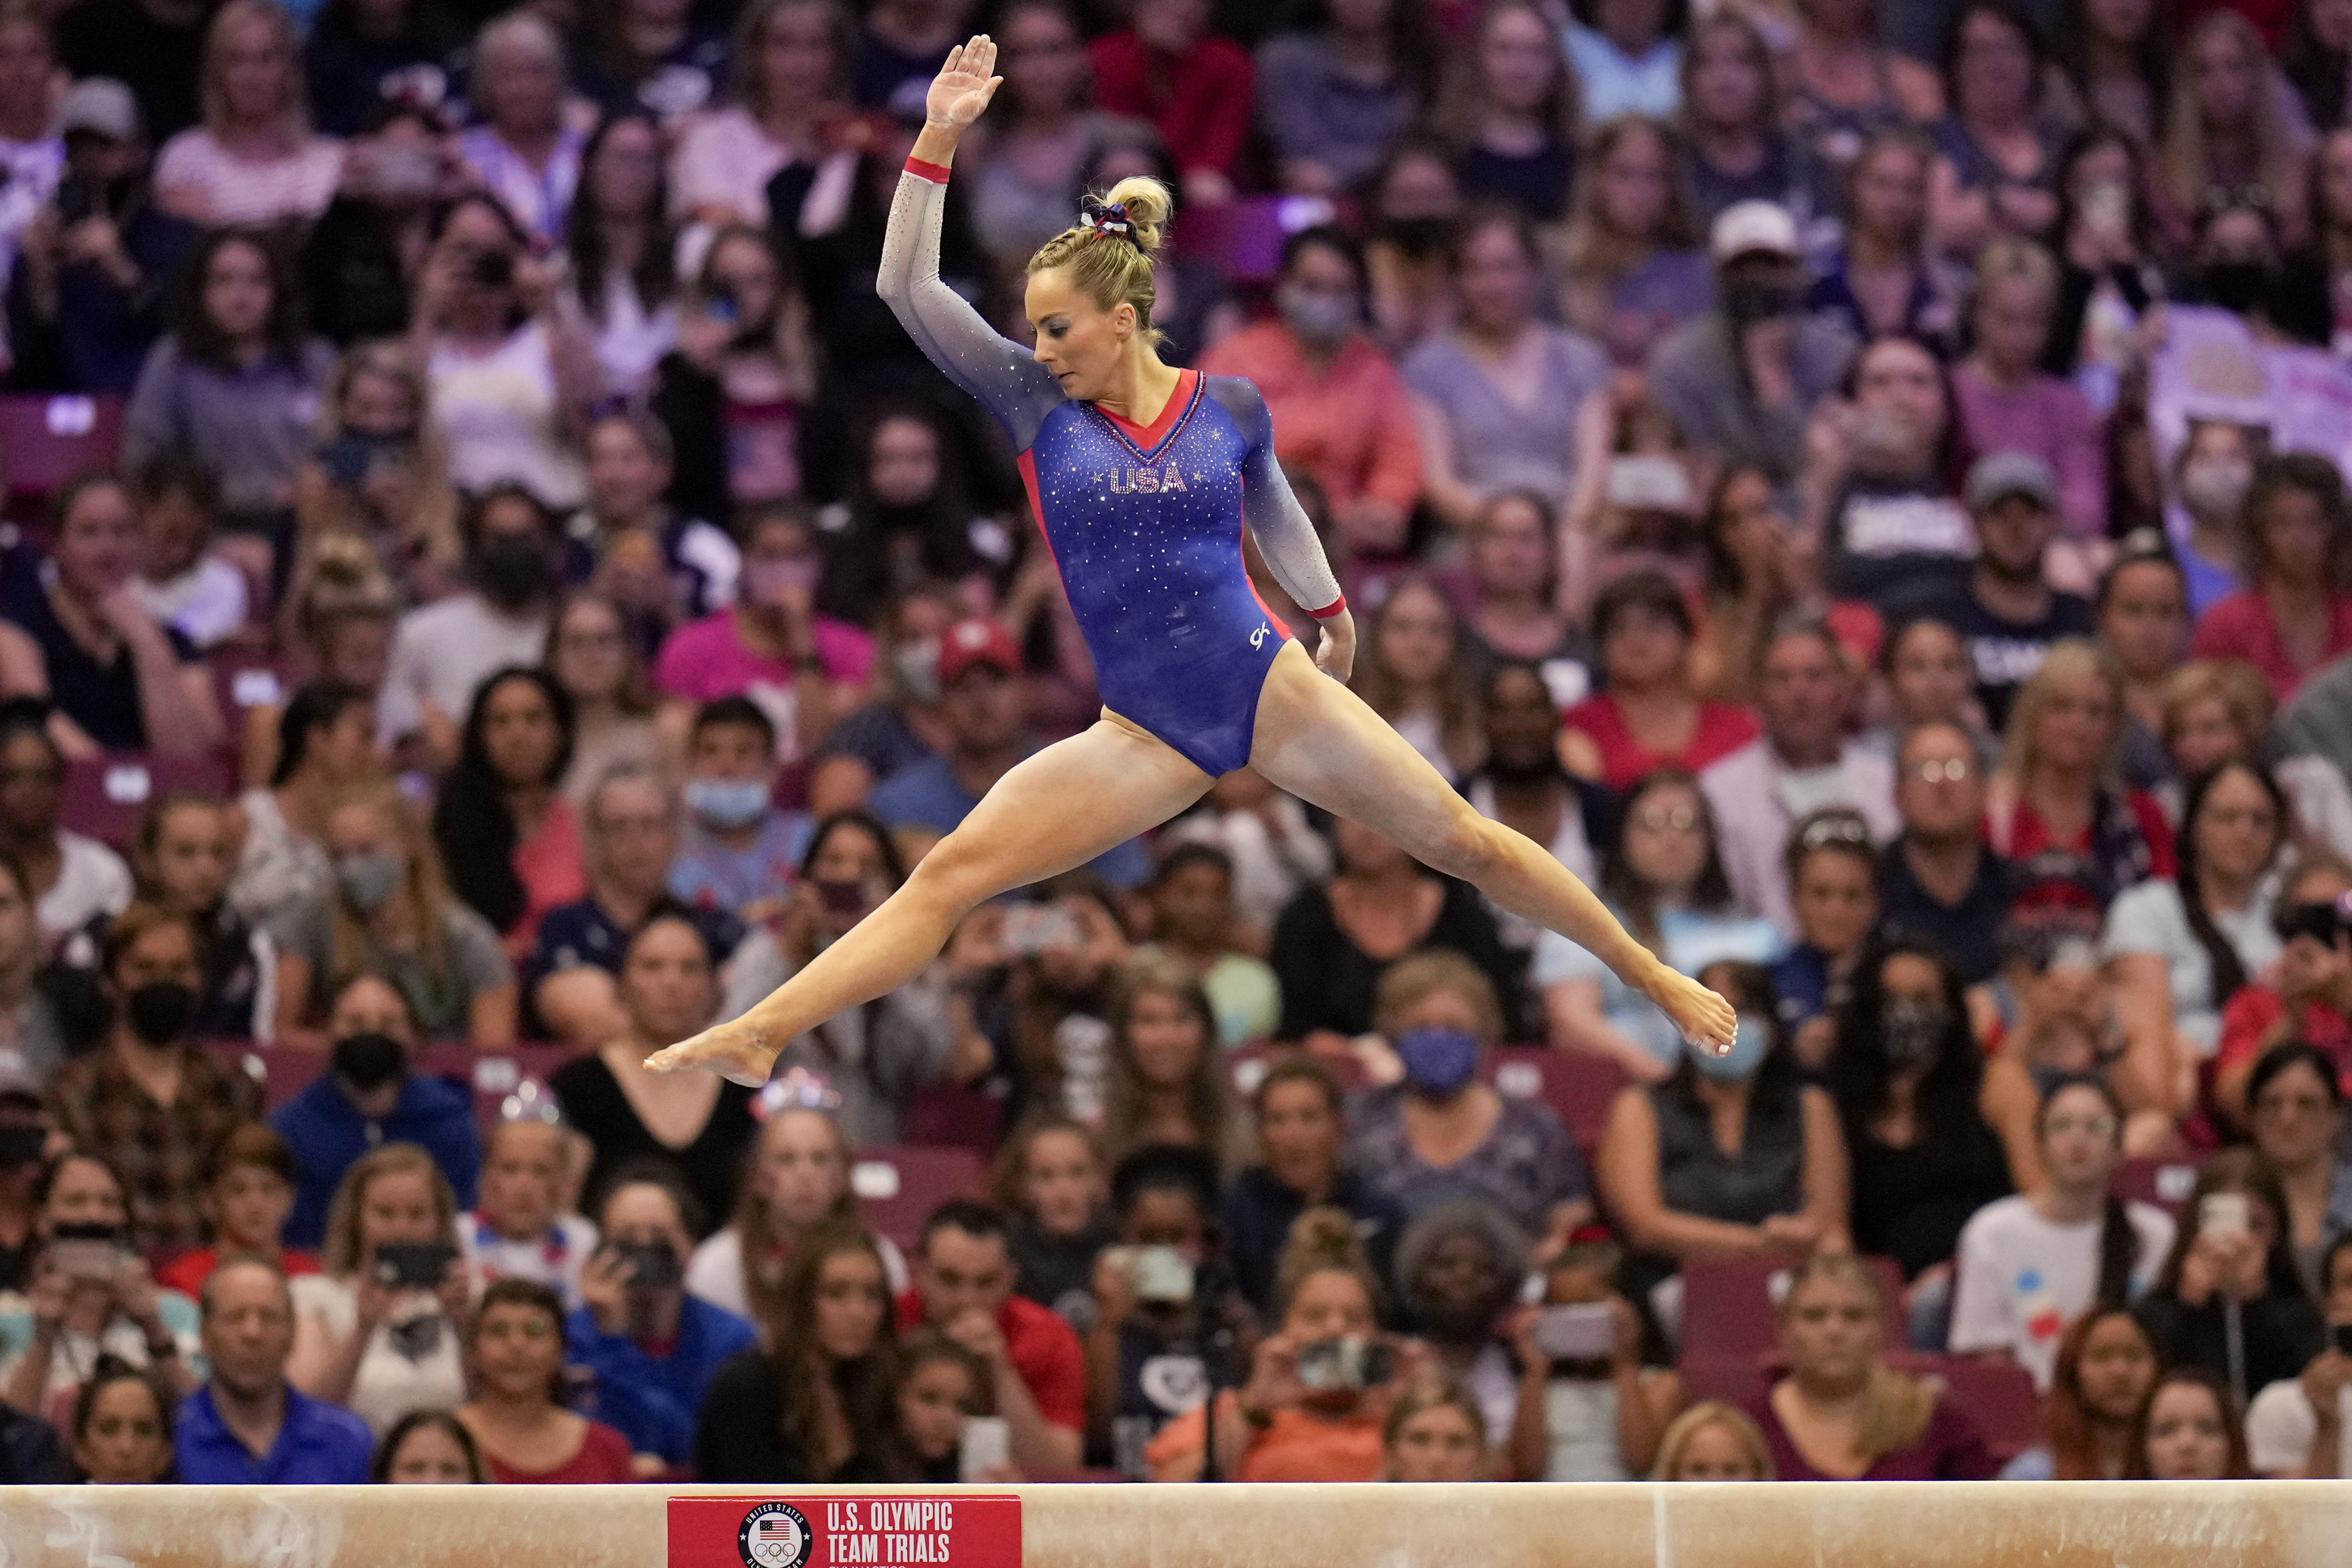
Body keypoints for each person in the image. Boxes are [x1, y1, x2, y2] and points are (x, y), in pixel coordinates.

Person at [652, 36, 1735, 1097]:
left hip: (1270, 683)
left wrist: (1331, 612)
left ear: (1121, 322)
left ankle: (1647, 972)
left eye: (1058, 328)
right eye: (1032, 328)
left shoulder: (1229, 406)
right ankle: (763, 1028)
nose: (1039, 348)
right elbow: (906, 288)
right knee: (947, 877)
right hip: (1143, 731)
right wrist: (933, 140)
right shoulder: (1035, 406)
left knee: (1467, 840)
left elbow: (1275, 505)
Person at [1597, 961, 1850, 1323]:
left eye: (1742, 1009)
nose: (1726, 1020)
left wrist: (1806, 1245)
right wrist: (1759, 1245)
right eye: (1709, 1004)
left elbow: (1828, 1224)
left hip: (1789, 1286)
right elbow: (1646, 1227)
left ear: (1770, 1026)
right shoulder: (1639, 1108)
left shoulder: (1809, 1106)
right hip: (1672, 1287)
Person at [718, 812, 969, 1148]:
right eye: (833, 861)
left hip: (879, 1148)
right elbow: (733, 1047)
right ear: (807, 877)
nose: (849, 876)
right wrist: (792, 949)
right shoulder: (769, 950)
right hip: (785, 1147)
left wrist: (886, 953)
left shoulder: (912, 960)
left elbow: (932, 1060)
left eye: (867, 868)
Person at [1541, 770, 1782, 1081]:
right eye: (1652, 824)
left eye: (1686, 824)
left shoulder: (1754, 933)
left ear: (1710, 837)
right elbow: (1569, 1022)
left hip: (1741, 1098)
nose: (1672, 839)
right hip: (1623, 1100)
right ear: (1622, 834)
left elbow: (1774, 1027)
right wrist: (1663, 1085)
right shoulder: (1582, 921)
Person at [1194, 228, 1423, 555]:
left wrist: (1384, 505)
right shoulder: (1234, 359)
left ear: (1359, 295)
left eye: (1340, 289)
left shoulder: (1373, 369)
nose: (1325, 300)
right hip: (1245, 535)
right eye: (1311, 287)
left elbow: (1400, 458)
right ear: (1283, 286)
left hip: (1345, 539)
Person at [45, 905, 260, 1252]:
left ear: (201, 980)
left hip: (214, 1280)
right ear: (110, 980)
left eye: (179, 968)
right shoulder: (74, 1088)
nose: (163, 981)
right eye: (145, 968)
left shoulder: (234, 1086)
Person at [1146, 1206, 1417, 1481]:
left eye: (1354, 1318)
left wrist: (1416, 1408)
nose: (1336, 1329)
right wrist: (1252, 1410)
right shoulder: (1232, 1413)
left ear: (1378, 1336)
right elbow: (1168, 1500)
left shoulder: (1405, 1416)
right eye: (1315, 1316)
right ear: (1282, 1331)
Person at [1826, 940, 2016, 1328]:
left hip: (1988, 1278)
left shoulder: (1996, 1086)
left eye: (1921, 999)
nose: (1906, 1013)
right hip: (1883, 1294)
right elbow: (1835, 1227)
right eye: (1891, 999)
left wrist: (1958, 1271)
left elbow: (2035, 1200)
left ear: (1949, 1010)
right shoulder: (1837, 1105)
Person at [1348, 951, 1591, 1246]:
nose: (1438, 1038)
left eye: (1454, 1027)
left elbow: (1571, 1217)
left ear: (1484, 1032)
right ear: (1393, 1034)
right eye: (1420, 1027)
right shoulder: (1359, 1119)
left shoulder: (1535, 1126)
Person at [1949, 1075, 2175, 1390]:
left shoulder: (2155, 1234)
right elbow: (1988, 1357)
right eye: (2061, 1126)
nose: (2078, 1140)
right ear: (2039, 1145)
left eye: (2096, 1128)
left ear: (2119, 1149)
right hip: (2032, 1406)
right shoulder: (1991, 1231)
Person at [1403, 207, 1614, 532]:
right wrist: (1511, 532)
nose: (1493, 285)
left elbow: (1592, 482)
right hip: (1472, 535)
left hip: (1570, 532)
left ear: (1534, 272)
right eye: (1476, 270)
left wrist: (1553, 537)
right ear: (1457, 279)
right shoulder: (1428, 367)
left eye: (1506, 267)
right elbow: (1439, 486)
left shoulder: (1581, 359)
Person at [266, 780, 517, 1045]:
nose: (352, 869)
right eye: (338, 856)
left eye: (367, 850)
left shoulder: (466, 939)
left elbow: (492, 1055)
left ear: (407, 844)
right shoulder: (313, 921)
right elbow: (280, 1037)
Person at [553, 915, 757, 1235]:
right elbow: (560, 1214)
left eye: (689, 968)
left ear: (714, 986)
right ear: (621, 983)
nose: (671, 983)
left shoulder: (747, 1087)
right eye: (652, 967)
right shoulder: (579, 1086)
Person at [2104, 762, 2286, 1115]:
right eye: (2227, 817)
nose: (2244, 832)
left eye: (2260, 820)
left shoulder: (2288, 922)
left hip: (2264, 1091)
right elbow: (2139, 1025)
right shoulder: (2146, 908)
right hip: (2170, 1086)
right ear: (2193, 826)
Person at [1699, 618, 1899, 937]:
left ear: (1843, 689)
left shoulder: (1888, 782)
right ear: (1757, 693)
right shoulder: (1718, 791)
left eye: (1815, 676)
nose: (1799, 693)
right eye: (1781, 678)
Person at [0, 477, 222, 758]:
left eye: (121, 532)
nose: (107, 549)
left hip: (158, 793)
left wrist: (146, 642)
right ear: (56, 546)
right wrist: (117, 783)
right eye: (89, 533)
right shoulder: (17, 628)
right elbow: (36, 720)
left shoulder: (172, 640)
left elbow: (190, 755)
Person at [411, 195, 597, 511]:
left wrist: (550, 305)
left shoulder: (546, 339)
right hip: (456, 517)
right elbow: (405, 414)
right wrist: (426, 308)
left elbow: (590, 417)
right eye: (463, 252)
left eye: (492, 254)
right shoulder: (425, 349)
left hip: (551, 512)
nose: (479, 268)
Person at [1269, 814, 1521, 1047]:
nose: (1367, 830)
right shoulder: (1304, 919)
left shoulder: (1464, 915)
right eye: (1351, 814)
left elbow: (1501, 1020)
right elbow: (1293, 1029)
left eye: (1384, 814)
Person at [1744, 1251, 2000, 1479]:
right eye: (1815, 1316)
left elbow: (1986, 1521)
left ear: (1881, 1326)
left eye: (1854, 1316)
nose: (1835, 1331)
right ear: (1784, 1328)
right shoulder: (1748, 1426)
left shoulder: (1937, 1421)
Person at [566, 1164, 757, 1468]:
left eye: (659, 1234)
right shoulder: (569, 1338)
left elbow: (704, 1447)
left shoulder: (734, 1342)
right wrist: (612, 1341)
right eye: (627, 1235)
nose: (644, 1247)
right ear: (600, 1247)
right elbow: (585, 1449)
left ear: (689, 1246)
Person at [654, 504, 870, 764]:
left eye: (797, 556)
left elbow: (822, 744)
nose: (783, 571)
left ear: (818, 565)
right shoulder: (691, 645)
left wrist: (802, 639)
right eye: (768, 556)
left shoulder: (853, 647)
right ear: (743, 561)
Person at [270, 991, 482, 1250]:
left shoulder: (449, 1118)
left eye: (388, 1024)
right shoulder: (289, 1129)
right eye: (355, 1023)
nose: (371, 1033)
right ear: (328, 1031)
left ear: (413, 1036)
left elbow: (464, 1217)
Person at [1912, 453, 2106, 734]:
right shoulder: (1940, 618)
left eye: (2029, 513)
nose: (2016, 528)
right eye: (2000, 513)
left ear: (2053, 522)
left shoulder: (2082, 619)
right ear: (1974, 523)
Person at [284, 1142, 470, 1435]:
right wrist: (363, 1330)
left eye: (417, 1214)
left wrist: (463, 1324)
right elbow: (306, 1415)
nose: (402, 1229)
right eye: (385, 1213)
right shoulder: (313, 1296)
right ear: (357, 1219)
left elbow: (499, 1407)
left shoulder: (469, 1295)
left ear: (440, 1221)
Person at [694, 1217, 897, 1482]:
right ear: (800, 1299)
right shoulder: (747, 1387)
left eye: (872, 1294)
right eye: (836, 1293)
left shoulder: (879, 1387)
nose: (858, 1313)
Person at [0, 1151, 197, 1421]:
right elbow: (10, 1439)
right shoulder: (8, 1320)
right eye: (76, 1201)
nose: (95, 1216)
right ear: (42, 1220)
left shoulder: (174, 1313)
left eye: (109, 1203)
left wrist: (153, 1327)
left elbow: (207, 1425)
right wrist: (43, 1339)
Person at [375, 484, 560, 771]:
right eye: (501, 540)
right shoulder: (424, 631)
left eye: (525, 538)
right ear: (476, 548)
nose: (514, 551)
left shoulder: (572, 632)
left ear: (550, 545)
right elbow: (395, 712)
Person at [1986, 640, 2174, 902]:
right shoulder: (1988, 814)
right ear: (2032, 715)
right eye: (2063, 707)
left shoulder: (2143, 817)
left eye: (2096, 712)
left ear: (2114, 727)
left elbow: (2165, 911)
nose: (2079, 725)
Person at [2136, 1151, 2328, 1406]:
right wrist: (2190, 1307)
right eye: (2224, 1223)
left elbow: (2301, 1386)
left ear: (2278, 1231)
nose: (2239, 1241)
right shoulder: (2156, 1310)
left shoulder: (2303, 1315)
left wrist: (2257, 1305)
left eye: (2255, 1225)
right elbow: (2151, 1387)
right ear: (2195, 1225)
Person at [527, 767, 700, 1048]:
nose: (636, 840)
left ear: (675, 836)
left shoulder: (713, 928)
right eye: (619, 826)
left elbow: (753, 1017)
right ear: (593, 840)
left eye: (649, 823)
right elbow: (591, 1023)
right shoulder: (563, 928)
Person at [1219, 1055, 1403, 1318]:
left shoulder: (1380, 1213)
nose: (1294, 1135)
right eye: (1278, 1120)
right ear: (1260, 1134)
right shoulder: (1235, 1213)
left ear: (1338, 1127)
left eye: (1309, 1117)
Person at [690, 1103, 909, 1323]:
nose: (805, 1174)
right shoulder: (720, 1265)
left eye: (820, 1159)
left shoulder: (881, 1261)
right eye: (786, 1159)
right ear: (758, 1178)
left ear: (843, 1176)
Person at [1807, 333, 1974, 612]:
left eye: (1919, 382)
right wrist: (1821, 481)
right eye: (1880, 383)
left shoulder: (1976, 485)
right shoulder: (1828, 488)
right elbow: (1805, 585)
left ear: (1947, 406)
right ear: (1850, 401)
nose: (1901, 399)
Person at [1951, 253, 2105, 552]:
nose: (2020, 336)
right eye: (2006, 318)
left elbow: (2087, 512)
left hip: (2049, 553)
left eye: (2034, 321)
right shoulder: (1948, 391)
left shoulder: (2069, 404)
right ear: (1977, 313)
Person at [174, 1257, 373, 1484]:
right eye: (235, 1317)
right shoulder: (170, 1434)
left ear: (292, 1334)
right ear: (205, 1334)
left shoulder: (348, 1439)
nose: (253, 1333)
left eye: (269, 1317)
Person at [432, 666, 585, 961]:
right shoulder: (450, 825)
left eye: (533, 719)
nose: (518, 736)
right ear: (478, 737)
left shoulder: (582, 823)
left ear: (560, 734)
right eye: (500, 722)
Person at [1558, 572, 1760, 791]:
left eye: (1653, 627)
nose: (1637, 642)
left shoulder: (1738, 727)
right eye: (1620, 629)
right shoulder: (1576, 728)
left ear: (1686, 637)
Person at [1507, 1231, 1682, 1479]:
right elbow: (1528, 1467)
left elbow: (1641, 1460)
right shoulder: (1537, 1389)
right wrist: (1534, 1370)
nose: (1578, 1324)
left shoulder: (1659, 1385)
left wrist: (1626, 1362)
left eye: (1589, 1308)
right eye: (1564, 1310)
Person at [153, 0, 342, 228]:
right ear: (217, 71)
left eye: (266, 59)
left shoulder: (329, 166)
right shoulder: (185, 159)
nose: (252, 77)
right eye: (237, 60)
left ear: (290, 68)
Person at [2192, 454, 2352, 704]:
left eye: (2311, 523)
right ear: (2260, 531)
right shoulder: (2224, 625)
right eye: (2282, 524)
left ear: (2333, 529)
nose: (2297, 540)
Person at [1557, 116, 1712, 369]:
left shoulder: (1699, 272)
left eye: (1652, 175)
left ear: (1671, 186)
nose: (1638, 192)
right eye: (1624, 174)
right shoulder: (1562, 266)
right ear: (1597, 181)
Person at [2160, 661, 2352, 863]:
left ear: (2248, 729)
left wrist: (2299, 834)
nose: (2192, 744)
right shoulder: (2168, 804)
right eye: (2181, 731)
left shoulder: (2311, 782)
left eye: (2210, 729)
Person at [572, 417, 737, 646]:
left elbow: (732, 651)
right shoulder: (568, 545)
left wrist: (666, 605)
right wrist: (595, 596)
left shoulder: (704, 547)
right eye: (601, 460)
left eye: (629, 459)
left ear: (663, 471)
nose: (614, 475)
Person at [456, 1278, 636, 1483]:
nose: (517, 1345)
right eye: (498, 1330)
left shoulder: (607, 1450)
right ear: (471, 1350)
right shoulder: (440, 1444)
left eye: (535, 1331)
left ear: (563, 1348)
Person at [2155, 13, 2312, 249]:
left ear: (2257, 75)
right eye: (2203, 70)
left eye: (2234, 67)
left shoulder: (2299, 167)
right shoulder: (2161, 170)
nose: (2221, 83)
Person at [1678, 13, 1838, 237]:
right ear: (1687, 78)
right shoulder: (1668, 165)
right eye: (1707, 64)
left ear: (1765, 75)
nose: (1725, 80)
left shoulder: (1803, 164)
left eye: (1741, 62)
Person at [124, 794, 269, 1040]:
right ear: (146, 859)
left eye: (218, 853)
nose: (206, 870)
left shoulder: (250, 947)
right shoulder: (106, 938)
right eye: (186, 852)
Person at [1877, 722, 2012, 986]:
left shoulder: (2016, 887)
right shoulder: (1869, 887)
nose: (1942, 784)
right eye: (1923, 771)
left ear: (1984, 788)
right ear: (1896, 793)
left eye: (1957, 768)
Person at [1253, 0, 1434, 195]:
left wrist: (1347, 175)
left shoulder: (1423, 64)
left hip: (1399, 195)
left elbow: (1423, 147)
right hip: (1311, 196)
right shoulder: (1286, 61)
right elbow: (1298, 152)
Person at [1805, 131, 1962, 352]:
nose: (1896, 201)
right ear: (1853, 186)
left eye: (1910, 188)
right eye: (1882, 184)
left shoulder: (1942, 283)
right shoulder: (1815, 273)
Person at [1924, 5, 2061, 256]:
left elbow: (2089, 225)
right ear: (1956, 66)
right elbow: (1938, 226)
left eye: (2010, 49)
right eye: (1981, 50)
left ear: (2034, 62)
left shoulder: (2062, 142)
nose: (1997, 63)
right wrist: (1997, 204)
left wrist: (1978, 213)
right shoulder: (1938, 139)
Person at [564, 116, 678, 399]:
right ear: (588, 166)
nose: (634, 173)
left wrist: (715, 325)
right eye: (621, 158)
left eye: (647, 160)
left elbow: (729, 298)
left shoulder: (693, 252)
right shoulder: (562, 272)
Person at [667, 698, 808, 923]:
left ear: (772, 767)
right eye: (710, 751)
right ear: (690, 764)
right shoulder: (670, 852)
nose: (726, 766)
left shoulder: (805, 839)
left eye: (743, 752)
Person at [0, 706, 128, 943]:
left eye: (41, 777)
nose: (28, 792)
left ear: (61, 787)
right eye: (12, 777)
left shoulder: (103, 869)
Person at [455, 14, 584, 247]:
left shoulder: (588, 150)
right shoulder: (462, 157)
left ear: (558, 79)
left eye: (537, 73)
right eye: (510, 75)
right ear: (486, 84)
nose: (525, 89)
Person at [1137, 842, 1281, 1049]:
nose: (1204, 905)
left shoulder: (1257, 979)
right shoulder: (1136, 968)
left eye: (1218, 894)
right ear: (1160, 897)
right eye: (1188, 892)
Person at [155, 1123, 317, 1300]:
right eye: (238, 1190)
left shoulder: (312, 1280)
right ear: (209, 1201)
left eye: (269, 1189)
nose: (255, 1204)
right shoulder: (181, 1283)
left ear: (290, 1198)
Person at [1349, 579, 1483, 785]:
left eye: (1435, 630)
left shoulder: (1479, 726)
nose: (1419, 644)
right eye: (1403, 628)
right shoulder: (1348, 722)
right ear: (1378, 637)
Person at [2001, 1305, 2160, 1479]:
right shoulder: (2033, 1476)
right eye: (2101, 1356)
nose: (2120, 1371)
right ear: (2072, 1372)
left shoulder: (2181, 1469)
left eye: (2134, 1355)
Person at [2243, 1044, 2352, 1295]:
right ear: (2251, 1116)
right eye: (2272, 1103)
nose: (2288, 1118)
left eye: (2306, 1104)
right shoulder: (2227, 1196)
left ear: (2336, 1115)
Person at [1770, 810, 1880, 1054]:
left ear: (1875, 902)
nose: (1836, 913)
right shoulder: (1767, 987)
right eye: (1821, 894)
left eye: (1852, 895)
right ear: (1793, 897)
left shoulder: (1897, 981)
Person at [2243, 1233, 2352, 1476]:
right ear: (2327, 1302)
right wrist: (2327, 1424)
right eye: (2351, 1282)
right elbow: (2294, 1514)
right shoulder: (2280, 1406)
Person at [993, 1111, 1112, 1331]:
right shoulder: (1001, 1253)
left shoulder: (1122, 1244)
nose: (1064, 1192)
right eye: (1046, 1176)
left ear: (1099, 1181)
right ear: (1023, 1187)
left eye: (1077, 1173)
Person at [461, 1117, 595, 1311]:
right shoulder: (458, 1238)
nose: (524, 1187)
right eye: (509, 1169)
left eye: (541, 1171)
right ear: (486, 1176)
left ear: (564, 1181)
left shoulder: (584, 1243)